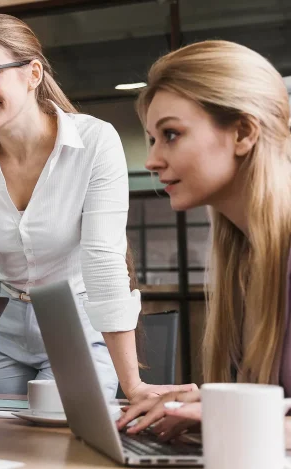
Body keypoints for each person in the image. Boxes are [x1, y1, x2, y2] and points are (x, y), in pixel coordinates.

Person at [0, 13, 194, 401]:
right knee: (3, 435)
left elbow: (103, 260)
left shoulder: (95, 141)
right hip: (1, 323)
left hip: (76, 319)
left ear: (33, 74)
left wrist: (133, 386)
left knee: (68, 433)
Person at [116, 40, 291, 444]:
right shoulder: (244, 257)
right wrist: (212, 406)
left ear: (243, 132)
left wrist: (230, 417)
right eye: (153, 139)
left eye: (171, 134)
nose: (152, 160)